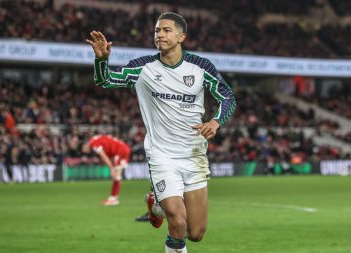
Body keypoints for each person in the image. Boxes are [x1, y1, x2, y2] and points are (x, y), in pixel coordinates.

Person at [86, 12, 236, 253]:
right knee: (177, 221)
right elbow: (106, 81)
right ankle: (163, 206)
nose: (160, 35)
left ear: (181, 36)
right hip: (162, 156)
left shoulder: (200, 67)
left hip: (194, 155)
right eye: (157, 30)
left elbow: (228, 97)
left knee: (195, 233)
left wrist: (216, 122)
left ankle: (155, 204)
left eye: (166, 30)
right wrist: (102, 61)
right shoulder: (142, 67)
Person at [83, 134, 131, 206]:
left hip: (120, 151)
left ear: (85, 145)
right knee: (117, 176)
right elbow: (108, 144)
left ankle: (114, 199)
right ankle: (113, 198)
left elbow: (103, 156)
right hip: (122, 148)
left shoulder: (93, 144)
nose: (87, 151)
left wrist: (111, 168)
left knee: (116, 175)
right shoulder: (95, 138)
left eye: (84, 150)